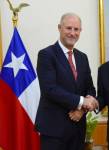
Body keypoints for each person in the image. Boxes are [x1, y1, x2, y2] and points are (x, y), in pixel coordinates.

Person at [35, 13, 98, 150]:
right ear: (59, 28)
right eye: (68, 28)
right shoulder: (46, 55)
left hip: (77, 130)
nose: (72, 33)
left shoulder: (82, 57)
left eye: (76, 29)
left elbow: (90, 89)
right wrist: (81, 101)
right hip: (54, 131)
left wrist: (81, 110)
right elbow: (50, 89)